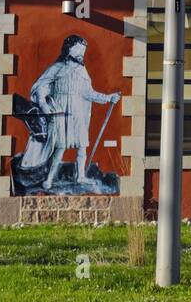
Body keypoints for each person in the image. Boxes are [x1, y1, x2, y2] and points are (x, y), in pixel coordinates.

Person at [20, 35, 119, 190]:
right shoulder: (57, 67)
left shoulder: (82, 71)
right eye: (78, 49)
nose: (81, 54)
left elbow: (89, 93)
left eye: (83, 51)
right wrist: (44, 104)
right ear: (68, 49)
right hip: (61, 109)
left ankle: (80, 176)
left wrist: (108, 98)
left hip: (78, 111)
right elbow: (41, 86)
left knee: (82, 145)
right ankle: (50, 178)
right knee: (60, 146)